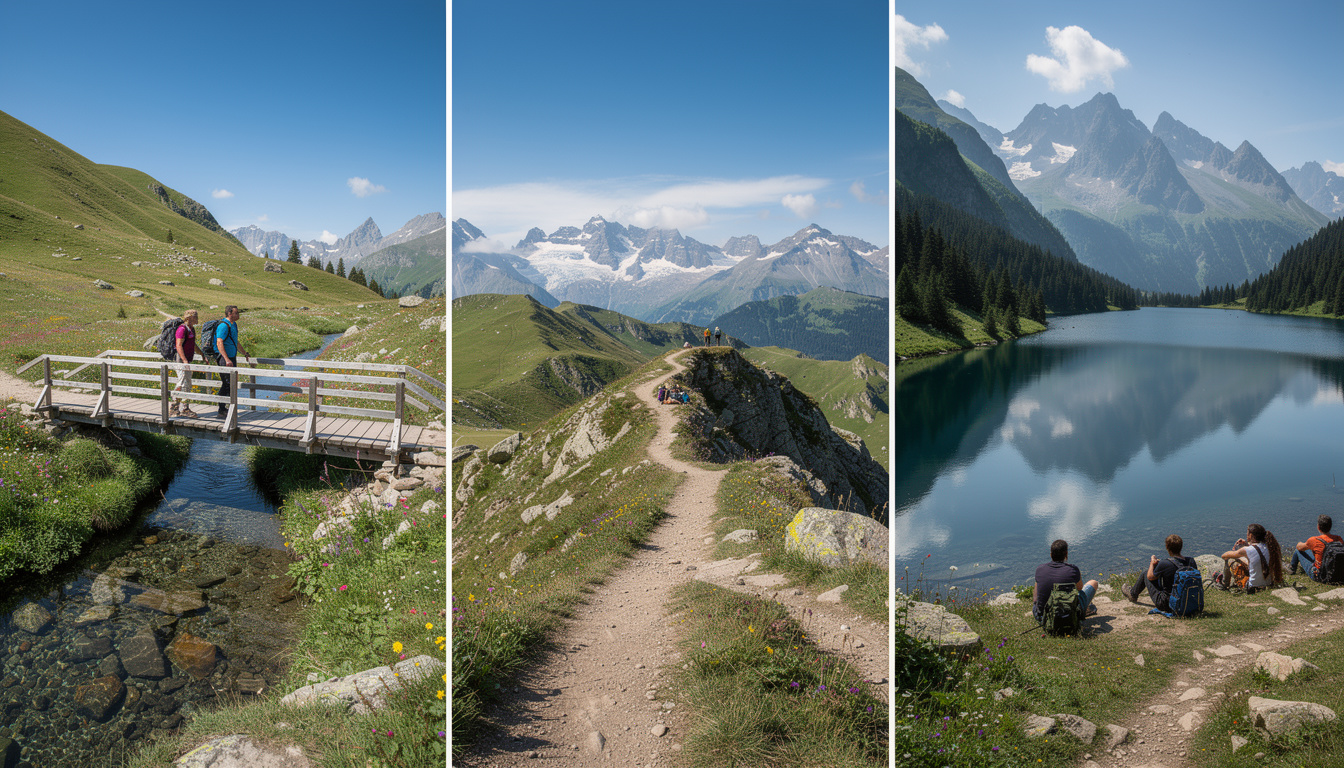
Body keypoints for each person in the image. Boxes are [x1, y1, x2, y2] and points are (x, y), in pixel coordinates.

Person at [1121, 534, 1197, 611]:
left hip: (1167, 604)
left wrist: (1152, 563)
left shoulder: (1165, 563)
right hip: (1188, 601)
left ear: (1167, 547)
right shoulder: (1191, 561)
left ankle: (1132, 594)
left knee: (1145, 573)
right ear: (1181, 546)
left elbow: (1150, 577)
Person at [1033, 539, 1099, 623]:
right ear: (1066, 555)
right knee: (1093, 583)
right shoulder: (1073, 569)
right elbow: (1079, 589)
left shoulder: (1040, 569)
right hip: (1069, 618)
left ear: (1051, 555)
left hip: (1043, 618)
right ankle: (1085, 610)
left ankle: (1041, 611)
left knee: (1037, 584)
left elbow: (1036, 596)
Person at [1217, 523, 1282, 592]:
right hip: (1268, 585)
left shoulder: (1247, 550)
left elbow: (1224, 555)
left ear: (1250, 535)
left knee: (1230, 560)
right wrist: (1247, 544)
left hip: (1253, 588)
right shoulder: (1269, 546)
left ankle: (1224, 584)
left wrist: (1235, 549)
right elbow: (1257, 552)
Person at [213, 305, 251, 418]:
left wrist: (244, 353)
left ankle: (229, 409)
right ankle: (221, 410)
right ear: (230, 314)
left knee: (231, 383)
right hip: (224, 359)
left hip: (231, 358)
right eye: (236, 313)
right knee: (227, 383)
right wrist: (226, 359)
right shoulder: (223, 326)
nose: (238, 315)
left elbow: (235, 342)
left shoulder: (233, 325)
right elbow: (219, 342)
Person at [1290, 514, 1343, 581]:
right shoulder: (1339, 539)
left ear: (1318, 527)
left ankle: (1291, 570)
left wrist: (1300, 543)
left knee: (1297, 551)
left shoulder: (1314, 540)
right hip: (1337, 574)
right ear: (1330, 526)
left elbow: (1299, 547)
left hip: (1320, 576)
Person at [170, 309, 201, 418]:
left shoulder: (191, 329)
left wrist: (202, 354)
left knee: (187, 385)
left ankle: (185, 408)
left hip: (187, 360)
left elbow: (193, 344)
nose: (197, 318)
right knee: (182, 383)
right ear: (189, 317)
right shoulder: (182, 329)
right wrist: (184, 360)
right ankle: (174, 408)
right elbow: (178, 345)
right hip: (181, 361)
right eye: (195, 316)